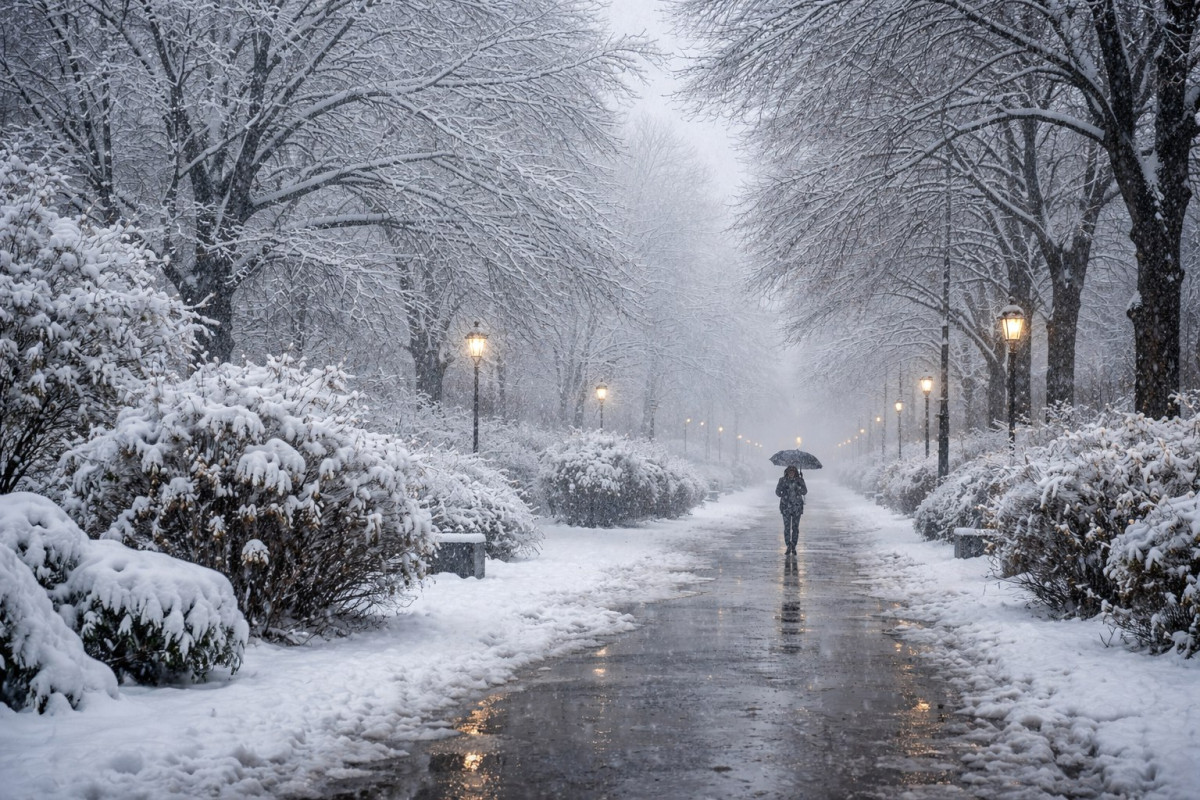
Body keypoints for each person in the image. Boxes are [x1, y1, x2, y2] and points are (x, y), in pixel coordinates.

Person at [775, 465, 807, 554]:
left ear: (795, 472)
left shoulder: (799, 480)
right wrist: (783, 493)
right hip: (786, 508)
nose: (791, 473)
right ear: (787, 472)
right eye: (790, 471)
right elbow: (777, 492)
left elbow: (805, 491)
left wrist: (799, 487)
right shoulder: (782, 480)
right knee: (787, 528)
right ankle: (788, 545)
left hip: (797, 508)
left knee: (795, 528)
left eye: (793, 472)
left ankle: (793, 545)